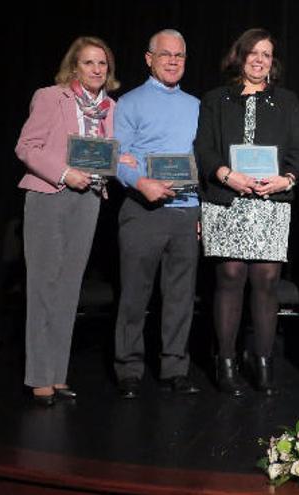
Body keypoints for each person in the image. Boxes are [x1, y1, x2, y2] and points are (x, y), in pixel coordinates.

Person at [15, 36, 132, 406]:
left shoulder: (111, 107)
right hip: (49, 196)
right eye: (89, 63)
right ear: (74, 66)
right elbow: (26, 147)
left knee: (68, 290)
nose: (96, 69)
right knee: (43, 287)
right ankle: (38, 379)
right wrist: (65, 173)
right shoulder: (51, 97)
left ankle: (57, 374)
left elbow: (108, 153)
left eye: (102, 64)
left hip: (89, 200)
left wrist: (122, 163)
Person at [195, 28, 299, 396]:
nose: (260, 60)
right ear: (240, 57)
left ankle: (261, 360)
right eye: (253, 53)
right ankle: (224, 361)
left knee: (267, 279)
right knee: (229, 275)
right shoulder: (216, 99)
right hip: (227, 195)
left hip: (269, 199)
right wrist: (227, 175)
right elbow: (205, 148)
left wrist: (285, 180)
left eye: (267, 54)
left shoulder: (287, 100)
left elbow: (298, 150)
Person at [112, 29, 201, 399]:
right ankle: (128, 368)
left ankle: (174, 368)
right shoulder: (128, 103)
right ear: (149, 59)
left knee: (180, 296)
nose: (173, 61)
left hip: (186, 211)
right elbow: (116, 157)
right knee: (134, 295)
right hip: (143, 210)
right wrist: (139, 181)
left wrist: (201, 212)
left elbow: (204, 160)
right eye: (165, 54)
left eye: (179, 55)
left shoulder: (197, 105)